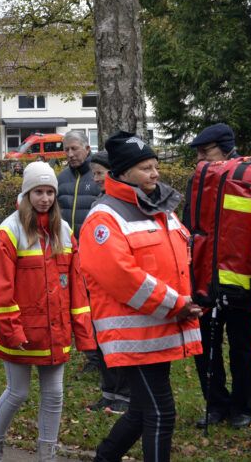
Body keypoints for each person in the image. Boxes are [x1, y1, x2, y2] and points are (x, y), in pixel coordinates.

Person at [79, 131, 203, 462]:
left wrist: (192, 296)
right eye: (146, 168)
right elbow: (122, 277)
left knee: (140, 411)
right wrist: (176, 304)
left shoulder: (160, 207)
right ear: (123, 173)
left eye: (155, 166)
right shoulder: (104, 217)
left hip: (158, 329)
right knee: (161, 413)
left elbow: (178, 261)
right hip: (135, 335)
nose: (155, 174)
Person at [0, 162, 95, 460]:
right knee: (17, 392)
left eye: (50, 192)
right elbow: (1, 289)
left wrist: (83, 332)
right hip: (22, 332)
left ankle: (47, 454)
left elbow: (76, 287)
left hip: (55, 330)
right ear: (27, 194)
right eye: (38, 192)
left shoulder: (64, 231)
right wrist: (12, 331)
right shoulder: (8, 232)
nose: (45, 198)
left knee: (54, 394)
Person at [185, 122, 251, 428]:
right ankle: (215, 404)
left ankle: (241, 408)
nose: (200, 159)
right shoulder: (197, 180)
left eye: (205, 151)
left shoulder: (246, 179)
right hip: (203, 276)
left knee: (240, 346)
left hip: (237, 278)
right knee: (205, 346)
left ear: (226, 149)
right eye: (198, 153)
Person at [81, 149, 131, 414]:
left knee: (118, 339)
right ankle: (108, 392)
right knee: (102, 339)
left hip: (115, 285)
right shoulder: (100, 201)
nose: (96, 179)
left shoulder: (122, 205)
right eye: (94, 174)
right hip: (97, 283)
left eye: (100, 173)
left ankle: (124, 394)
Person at [57, 129, 100, 236]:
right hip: (66, 243)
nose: (70, 154)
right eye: (66, 150)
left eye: (74, 148)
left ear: (87, 149)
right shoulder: (61, 178)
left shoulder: (99, 176)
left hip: (92, 242)